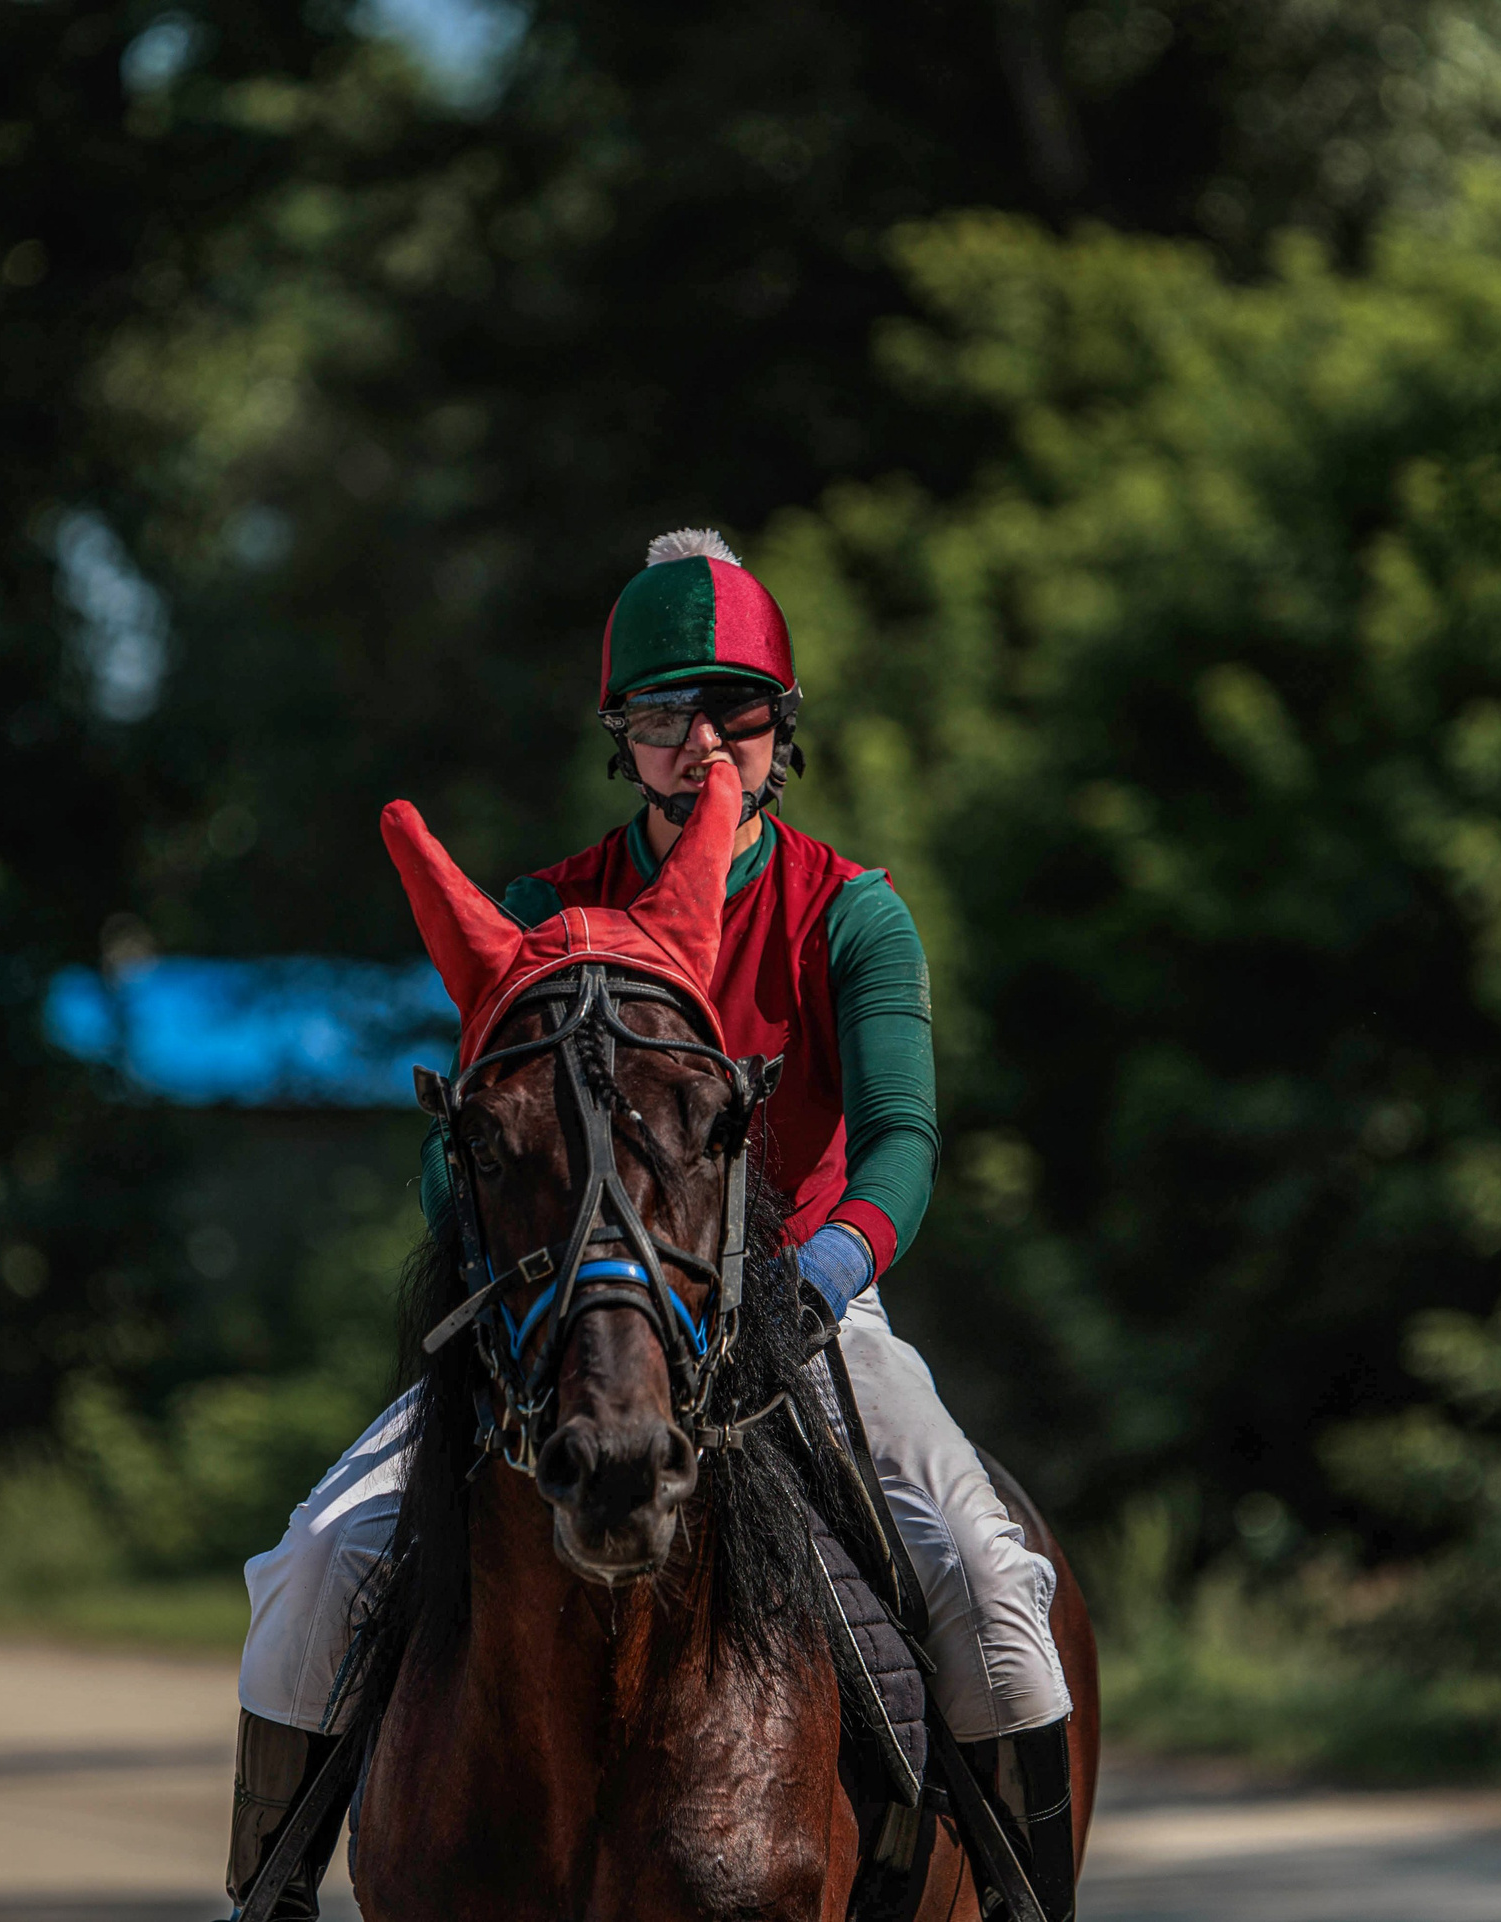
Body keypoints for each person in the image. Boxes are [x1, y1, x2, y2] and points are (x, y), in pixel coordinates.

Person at [227, 529, 1077, 1922]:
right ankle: (265, 1893)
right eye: (661, 713)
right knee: (313, 1567)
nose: (698, 743)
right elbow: (464, 1159)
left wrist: (821, 1273)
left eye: (729, 708)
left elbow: (904, 1141)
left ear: (779, 724)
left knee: (995, 1596)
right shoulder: (543, 913)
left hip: (801, 1295)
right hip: (558, 1312)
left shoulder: (853, 915)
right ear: (621, 737)